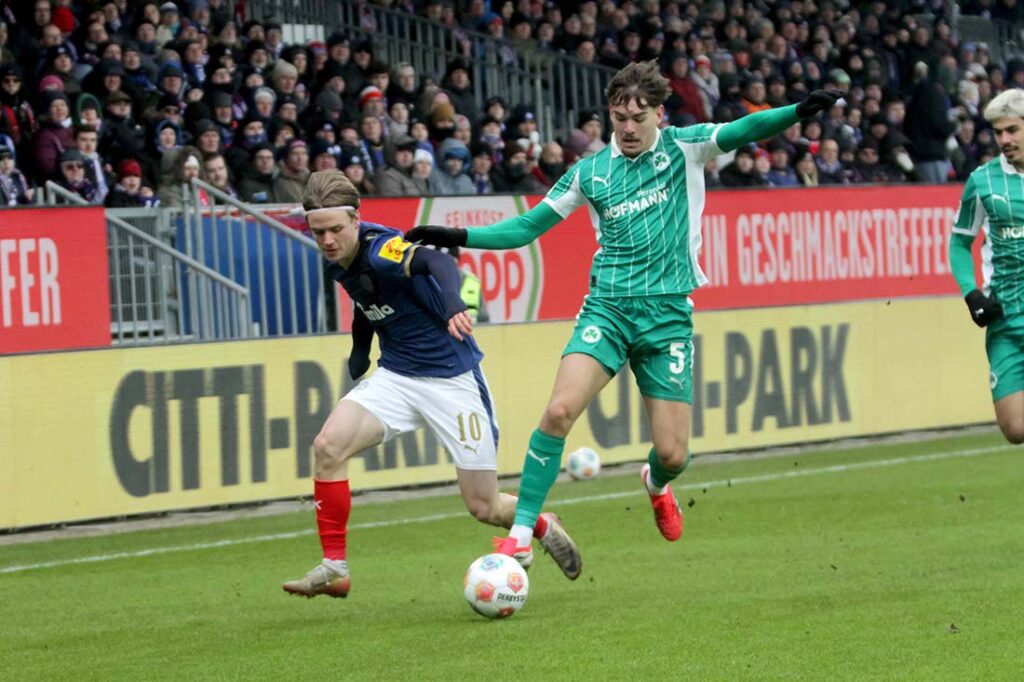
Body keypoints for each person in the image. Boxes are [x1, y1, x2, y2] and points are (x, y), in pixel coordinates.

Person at [406, 60, 843, 561]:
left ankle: (656, 484)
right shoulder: (590, 172)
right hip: (607, 311)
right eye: (619, 119)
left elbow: (744, 128)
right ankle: (523, 533)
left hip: (667, 316)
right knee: (558, 411)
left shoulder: (686, 145)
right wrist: (455, 236)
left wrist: (793, 112)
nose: (629, 128)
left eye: (638, 118)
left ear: (659, 113)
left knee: (674, 455)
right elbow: (525, 229)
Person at [281, 170, 581, 599]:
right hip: (397, 377)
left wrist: (454, 305)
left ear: (355, 220)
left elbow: (436, 260)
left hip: (452, 381)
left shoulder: (382, 248)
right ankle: (335, 567)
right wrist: (360, 349)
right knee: (328, 447)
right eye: (318, 232)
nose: (327, 240)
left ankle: (542, 523)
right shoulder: (340, 261)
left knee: (484, 506)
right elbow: (368, 300)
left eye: (335, 230)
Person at [950, 89, 1024, 444]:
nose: (1004, 140)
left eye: (1012, 130)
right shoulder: (983, 181)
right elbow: (959, 243)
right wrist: (971, 293)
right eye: (998, 133)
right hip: (1006, 320)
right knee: (1015, 429)